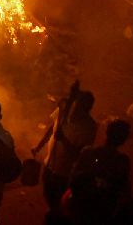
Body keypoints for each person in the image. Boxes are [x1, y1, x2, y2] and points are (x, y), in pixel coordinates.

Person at [37, 89, 98, 219]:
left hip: (64, 174)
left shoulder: (89, 127)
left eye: (79, 106)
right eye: (75, 104)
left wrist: (63, 139)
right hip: (49, 166)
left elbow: (79, 154)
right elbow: (52, 128)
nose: (75, 109)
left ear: (86, 108)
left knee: (60, 207)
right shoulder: (64, 112)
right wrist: (39, 146)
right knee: (48, 197)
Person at [68, 118, 132, 225]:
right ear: (123, 140)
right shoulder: (122, 161)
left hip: (81, 208)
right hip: (103, 212)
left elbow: (72, 180)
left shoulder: (88, 152)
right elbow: (124, 191)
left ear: (107, 132)